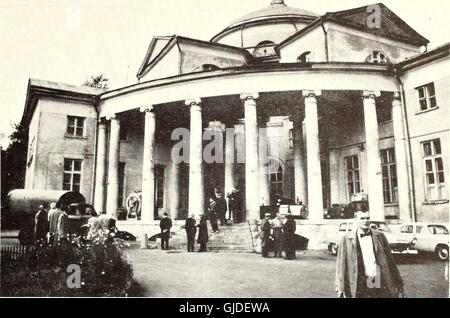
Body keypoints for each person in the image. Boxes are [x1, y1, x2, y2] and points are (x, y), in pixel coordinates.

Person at [335, 210, 406, 298]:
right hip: (359, 282)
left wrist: (399, 285)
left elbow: (391, 262)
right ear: (356, 220)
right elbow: (341, 266)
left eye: (367, 218)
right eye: (362, 218)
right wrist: (340, 288)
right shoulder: (346, 238)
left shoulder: (380, 236)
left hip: (377, 280)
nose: (365, 221)